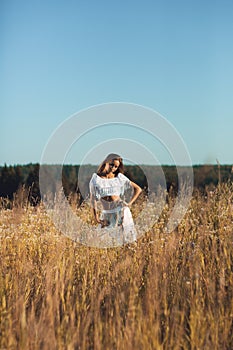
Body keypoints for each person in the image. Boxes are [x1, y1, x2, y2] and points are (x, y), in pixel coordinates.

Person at [89, 153, 142, 243]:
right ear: (106, 162)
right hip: (107, 214)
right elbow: (93, 199)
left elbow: (138, 189)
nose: (113, 168)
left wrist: (129, 203)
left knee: (125, 240)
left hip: (120, 211)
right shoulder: (96, 179)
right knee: (105, 241)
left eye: (116, 166)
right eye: (111, 164)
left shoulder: (119, 178)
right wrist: (96, 218)